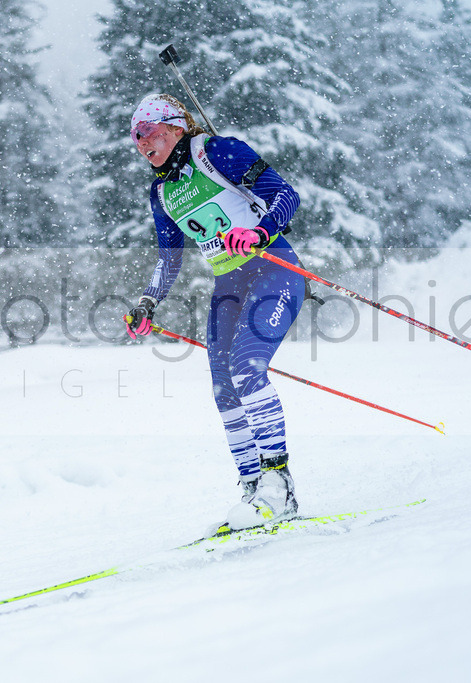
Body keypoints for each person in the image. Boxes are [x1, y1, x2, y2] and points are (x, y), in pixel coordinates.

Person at [124, 94, 307, 530]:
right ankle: (252, 489)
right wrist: (148, 301)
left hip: (273, 270)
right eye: (135, 137)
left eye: (147, 132)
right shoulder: (162, 191)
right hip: (229, 286)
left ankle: (278, 487)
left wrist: (259, 231)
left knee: (247, 367)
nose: (141, 143)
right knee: (224, 388)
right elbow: (169, 258)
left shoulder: (217, 151)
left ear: (175, 127)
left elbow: (286, 195)